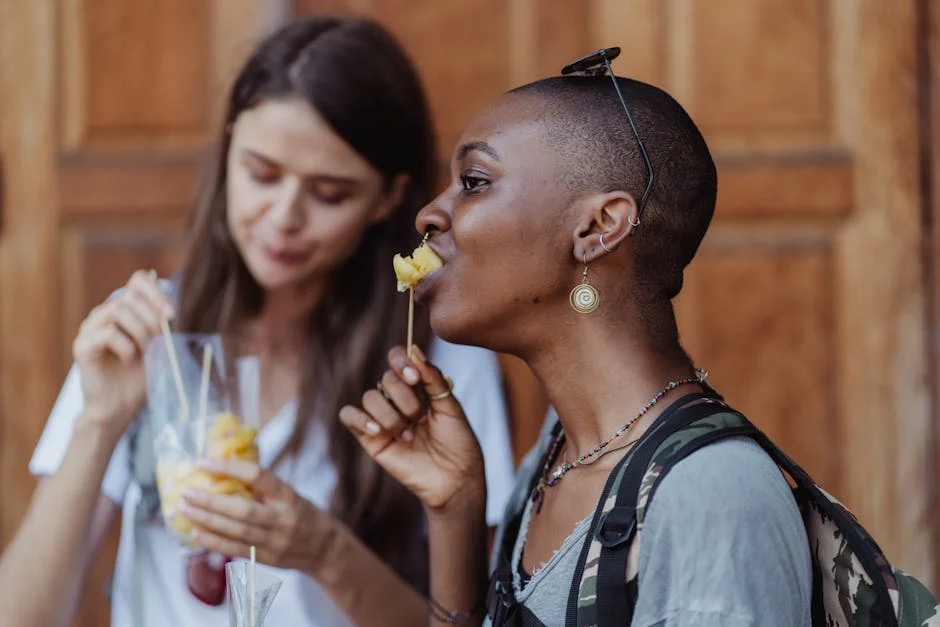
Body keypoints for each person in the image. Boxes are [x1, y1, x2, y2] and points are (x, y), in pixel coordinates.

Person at [0, 15, 515, 627]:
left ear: (386, 198)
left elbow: (465, 620)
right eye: (261, 174)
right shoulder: (146, 333)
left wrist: (323, 551)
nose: (283, 217)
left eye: (329, 193)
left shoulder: (440, 364)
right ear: (226, 154)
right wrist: (99, 419)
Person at [339, 51, 813, 626]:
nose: (429, 216)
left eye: (473, 182)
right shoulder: (555, 456)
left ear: (597, 228)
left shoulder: (709, 495)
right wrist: (455, 510)